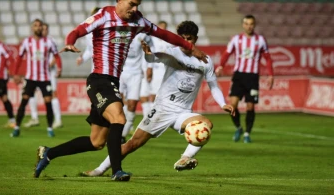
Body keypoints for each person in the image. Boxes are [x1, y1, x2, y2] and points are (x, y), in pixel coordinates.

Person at [32, 0, 207, 182]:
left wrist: (191, 47)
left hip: (112, 81)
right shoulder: (104, 15)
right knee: (120, 119)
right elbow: (78, 30)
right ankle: (117, 171)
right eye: (131, 4)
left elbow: (165, 35)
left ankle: (48, 153)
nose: (134, 9)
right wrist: (70, 42)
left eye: (137, 5)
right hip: (98, 80)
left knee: (96, 141)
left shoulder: (138, 21)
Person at [83, 21, 234, 177]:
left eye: (189, 39)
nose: (185, 42)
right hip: (162, 110)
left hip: (182, 113)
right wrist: (148, 54)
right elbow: (153, 59)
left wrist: (223, 103)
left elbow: (213, 85)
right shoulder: (173, 52)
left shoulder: (205, 61)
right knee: (132, 144)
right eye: (182, 38)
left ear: (195, 39)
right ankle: (99, 170)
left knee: (206, 124)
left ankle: (185, 158)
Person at [215, 14, 274, 143]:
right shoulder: (236, 39)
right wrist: (220, 66)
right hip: (239, 76)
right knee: (233, 105)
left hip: (252, 77)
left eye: (251, 24)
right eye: (246, 24)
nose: (249, 26)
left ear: (254, 25)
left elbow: (268, 58)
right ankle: (239, 127)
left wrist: (270, 75)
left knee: (250, 107)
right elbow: (227, 53)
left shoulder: (260, 40)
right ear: (243, 25)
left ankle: (247, 133)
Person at [11, 19, 62, 138]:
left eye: (39, 26)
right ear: (32, 28)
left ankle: (50, 128)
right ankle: (17, 127)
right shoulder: (26, 42)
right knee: (24, 101)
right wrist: (15, 74)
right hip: (30, 78)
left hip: (45, 78)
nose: (38, 28)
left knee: (48, 102)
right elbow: (18, 58)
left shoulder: (49, 42)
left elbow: (57, 56)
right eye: (35, 26)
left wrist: (59, 68)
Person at [24, 23, 63, 129]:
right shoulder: (36, 42)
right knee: (31, 93)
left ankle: (58, 120)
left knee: (53, 95)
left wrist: (49, 66)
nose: (44, 31)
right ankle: (34, 117)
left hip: (50, 73)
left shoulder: (51, 41)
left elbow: (56, 56)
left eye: (46, 29)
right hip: (37, 74)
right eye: (43, 29)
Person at [119, 33, 154, 143]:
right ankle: (114, 130)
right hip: (119, 72)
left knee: (132, 105)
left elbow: (150, 48)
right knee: (117, 103)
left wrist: (149, 67)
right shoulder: (119, 31)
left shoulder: (142, 35)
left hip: (135, 73)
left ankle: (123, 135)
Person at [149, 21, 172, 102]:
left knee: (165, 93)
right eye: (160, 29)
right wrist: (149, 69)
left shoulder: (169, 41)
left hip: (165, 70)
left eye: (164, 29)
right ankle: (152, 112)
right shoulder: (152, 40)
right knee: (153, 93)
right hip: (155, 70)